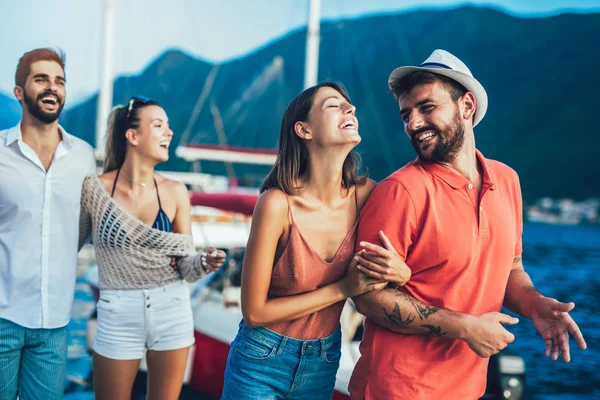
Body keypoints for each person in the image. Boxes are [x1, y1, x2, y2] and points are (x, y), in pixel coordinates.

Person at [348, 49, 587, 399]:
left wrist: (536, 304)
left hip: (467, 388)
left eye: (427, 108)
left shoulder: (506, 181)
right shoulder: (400, 192)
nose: (413, 123)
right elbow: (367, 297)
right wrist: (464, 326)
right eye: (406, 114)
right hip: (397, 389)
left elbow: (511, 269)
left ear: (467, 106)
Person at [221, 82, 411, 400]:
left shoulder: (369, 196)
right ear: (304, 129)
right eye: (333, 105)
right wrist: (342, 290)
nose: (350, 109)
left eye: (349, 104)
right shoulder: (276, 204)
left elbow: (397, 273)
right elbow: (253, 312)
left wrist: (401, 272)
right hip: (260, 359)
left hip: (322, 361)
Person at [78, 96, 226, 400]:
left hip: (171, 308)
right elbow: (69, 246)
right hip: (117, 309)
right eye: (159, 125)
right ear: (132, 136)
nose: (169, 132)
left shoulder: (175, 192)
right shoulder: (94, 189)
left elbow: (185, 266)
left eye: (169, 126)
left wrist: (204, 262)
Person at [0, 48, 96, 400]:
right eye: (41, 79)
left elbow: (85, 225)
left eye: (59, 81)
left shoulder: (83, 156)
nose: (52, 87)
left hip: (54, 322)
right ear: (19, 91)